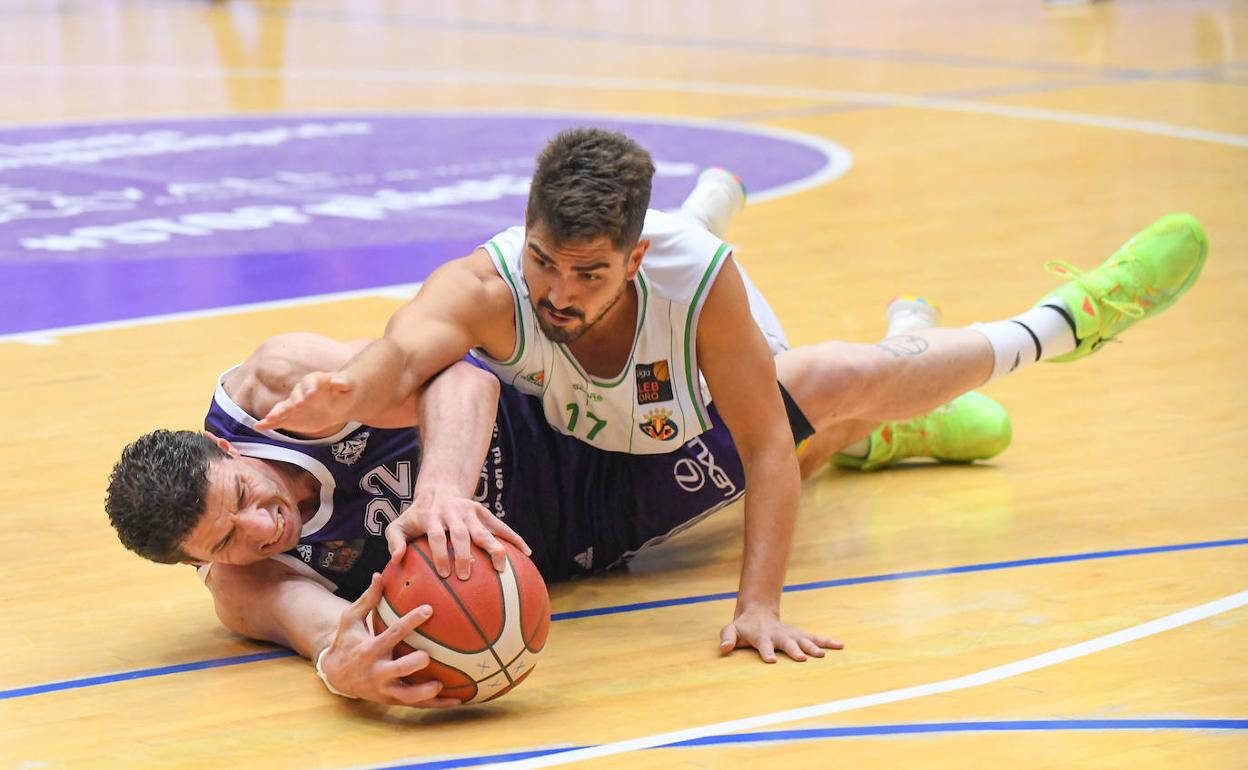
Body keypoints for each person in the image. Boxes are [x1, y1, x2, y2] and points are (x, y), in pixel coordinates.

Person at [252, 127, 1208, 662]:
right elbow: (406, 350)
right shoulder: (495, 285)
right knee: (820, 433)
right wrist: (350, 392)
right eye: (545, 259)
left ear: (634, 258)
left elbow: (756, 444)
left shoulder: (700, 283)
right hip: (601, 449)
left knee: (840, 379)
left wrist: (760, 603)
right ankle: (880, 436)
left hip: (702, 393)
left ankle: (1067, 318)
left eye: (587, 273)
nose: (555, 292)